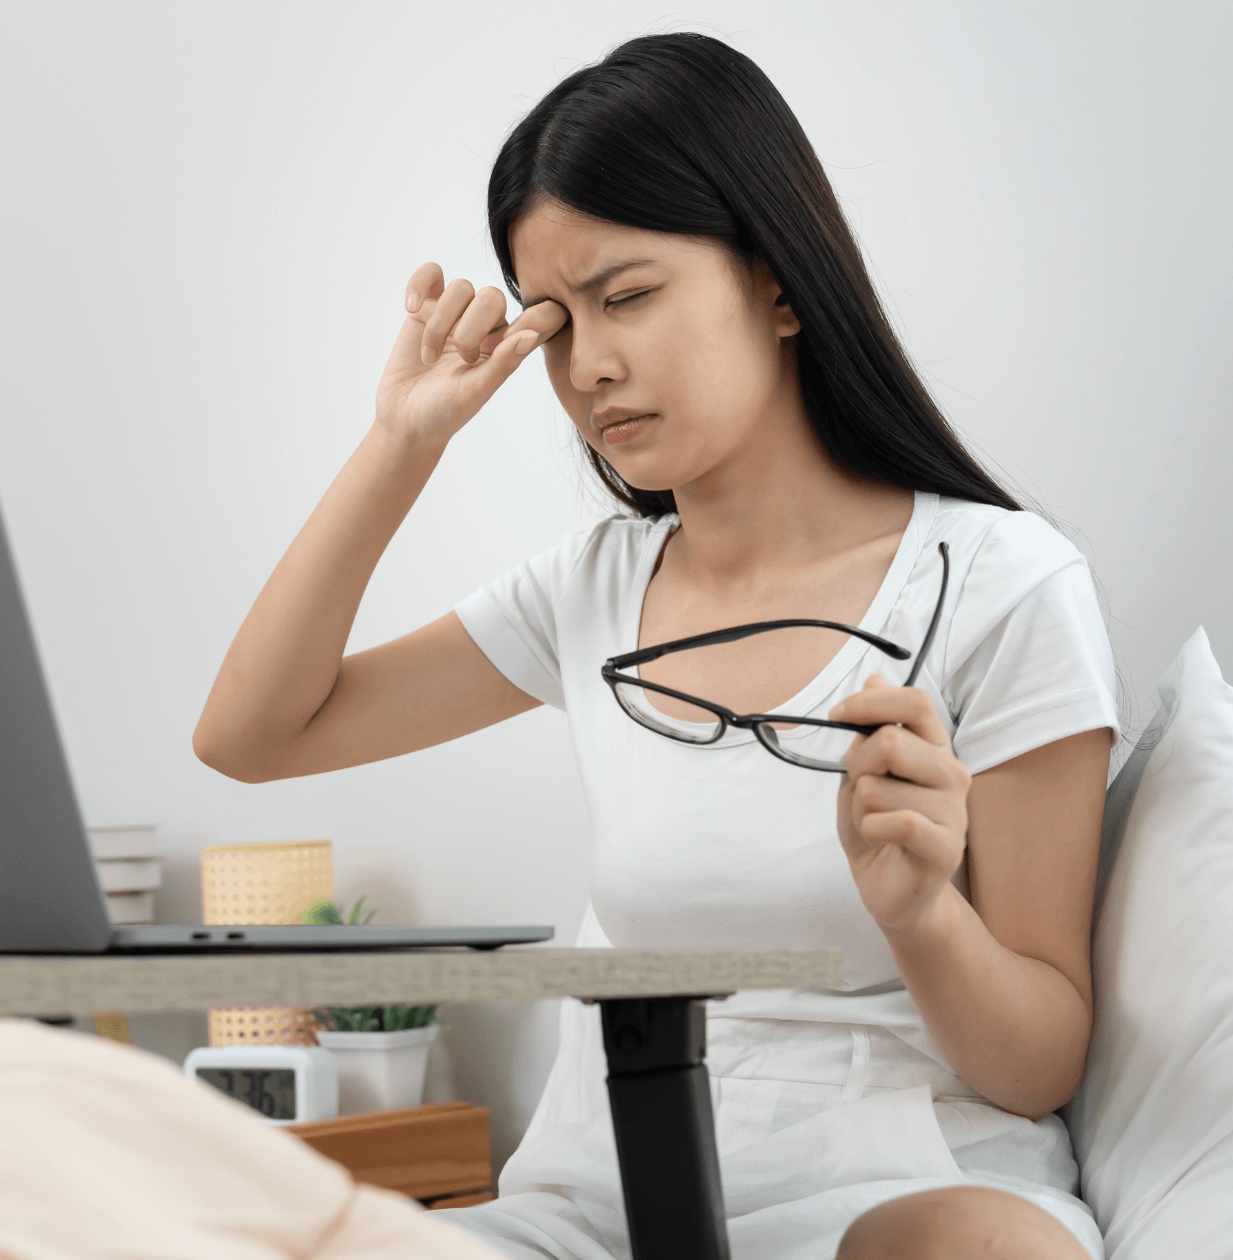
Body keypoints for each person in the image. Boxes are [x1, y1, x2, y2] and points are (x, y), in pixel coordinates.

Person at [194, 32, 1117, 1260]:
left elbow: (1039, 1065)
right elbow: (250, 737)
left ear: (777, 283)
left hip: (903, 1190)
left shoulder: (1001, 585)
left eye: (626, 297)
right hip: (607, 1206)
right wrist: (403, 441)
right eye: (553, 324)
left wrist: (922, 918)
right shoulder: (588, 592)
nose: (589, 367)